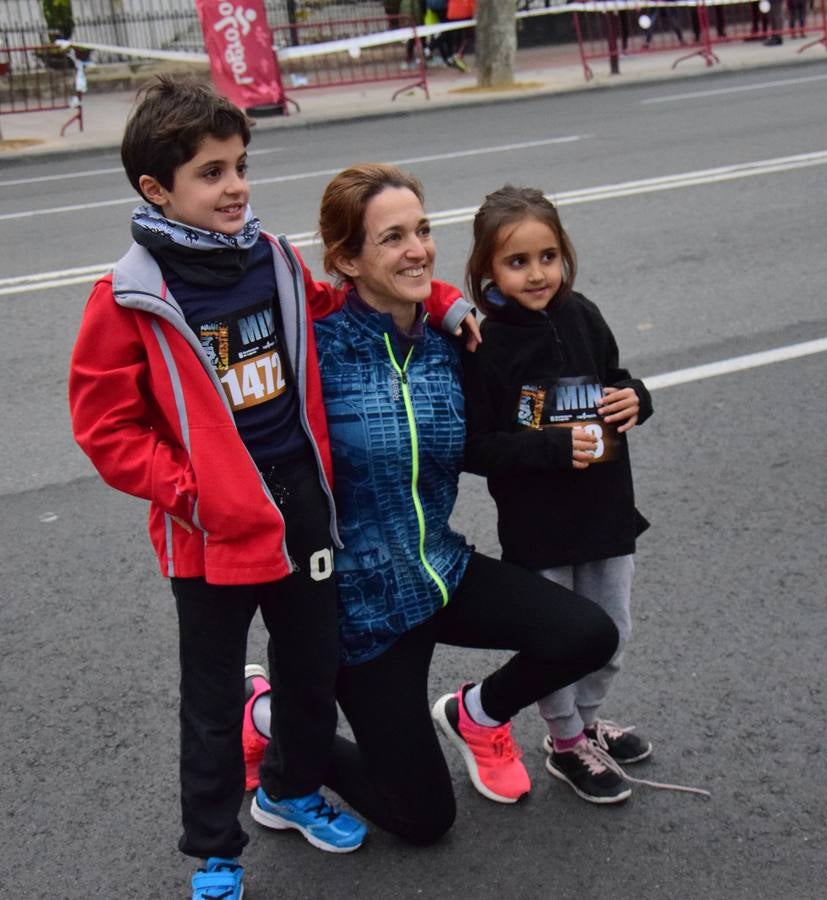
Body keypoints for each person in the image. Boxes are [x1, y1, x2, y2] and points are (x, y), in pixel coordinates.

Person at [68, 78, 472, 900]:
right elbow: (106, 430)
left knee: (308, 672)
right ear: (158, 190)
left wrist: (445, 297)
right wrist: (194, 493)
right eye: (212, 173)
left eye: (240, 165)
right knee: (214, 704)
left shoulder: (274, 259)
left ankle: (288, 791)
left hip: (302, 509)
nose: (236, 186)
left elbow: (341, 297)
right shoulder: (129, 297)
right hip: (211, 530)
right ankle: (217, 852)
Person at [242, 163, 620, 844]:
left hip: (439, 571)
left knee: (589, 633)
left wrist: (613, 410)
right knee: (423, 820)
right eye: (392, 238)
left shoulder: (453, 342)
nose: (417, 248)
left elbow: (498, 425)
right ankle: (272, 721)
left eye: (421, 230)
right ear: (346, 259)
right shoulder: (313, 352)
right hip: (359, 611)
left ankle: (477, 714)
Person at [458, 185, 656, 804]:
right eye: (517, 262)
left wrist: (637, 398)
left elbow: (616, 381)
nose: (537, 273)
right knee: (559, 638)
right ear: (488, 269)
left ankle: (588, 722)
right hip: (539, 527)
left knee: (612, 631)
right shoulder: (484, 346)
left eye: (547, 256)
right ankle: (566, 743)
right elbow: (474, 445)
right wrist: (544, 449)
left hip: (606, 514)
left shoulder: (585, 314)